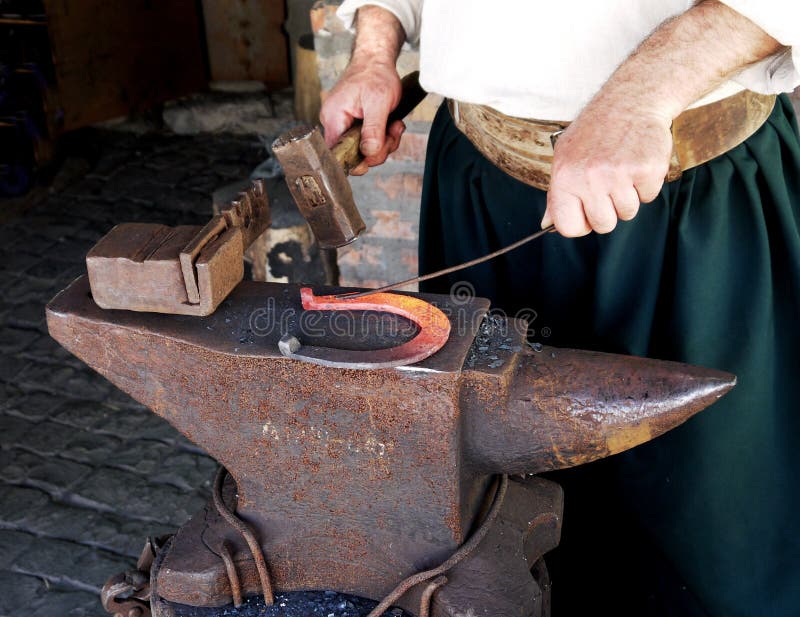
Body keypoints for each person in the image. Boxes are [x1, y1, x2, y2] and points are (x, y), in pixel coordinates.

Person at [319, 2, 800, 616]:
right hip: (480, 189)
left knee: (718, 533)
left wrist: (638, 98)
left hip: (689, 200)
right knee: (501, 521)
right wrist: (374, 49)